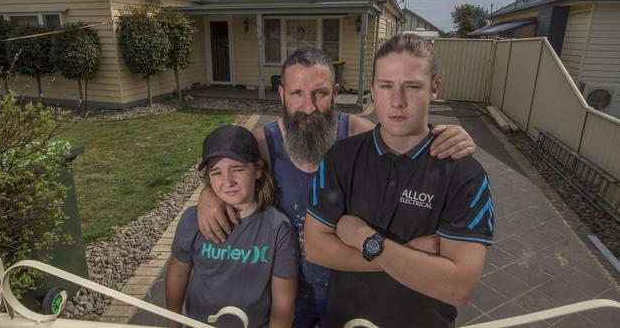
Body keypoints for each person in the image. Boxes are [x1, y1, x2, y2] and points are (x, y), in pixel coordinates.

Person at [197, 47, 478, 327]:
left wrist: (445, 136)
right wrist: (207, 195)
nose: (308, 107)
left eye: (320, 93)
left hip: (354, 291)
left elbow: (406, 140)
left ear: (335, 92)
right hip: (285, 293)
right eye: (297, 94)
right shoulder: (263, 145)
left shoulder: (359, 134)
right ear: (282, 95)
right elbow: (227, 173)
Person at [303, 33, 494, 327]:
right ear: (372, 90)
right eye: (386, 86)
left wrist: (365, 240)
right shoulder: (341, 157)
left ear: (435, 88)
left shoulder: (465, 175)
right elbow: (316, 248)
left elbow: (457, 288)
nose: (397, 101)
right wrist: (408, 259)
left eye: (413, 86)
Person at [165, 125, 299, 328]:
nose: (227, 181)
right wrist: (173, 322)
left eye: (237, 169)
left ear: (258, 169)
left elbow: (283, 302)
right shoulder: (193, 220)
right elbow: (178, 274)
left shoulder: (278, 228)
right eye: (216, 172)